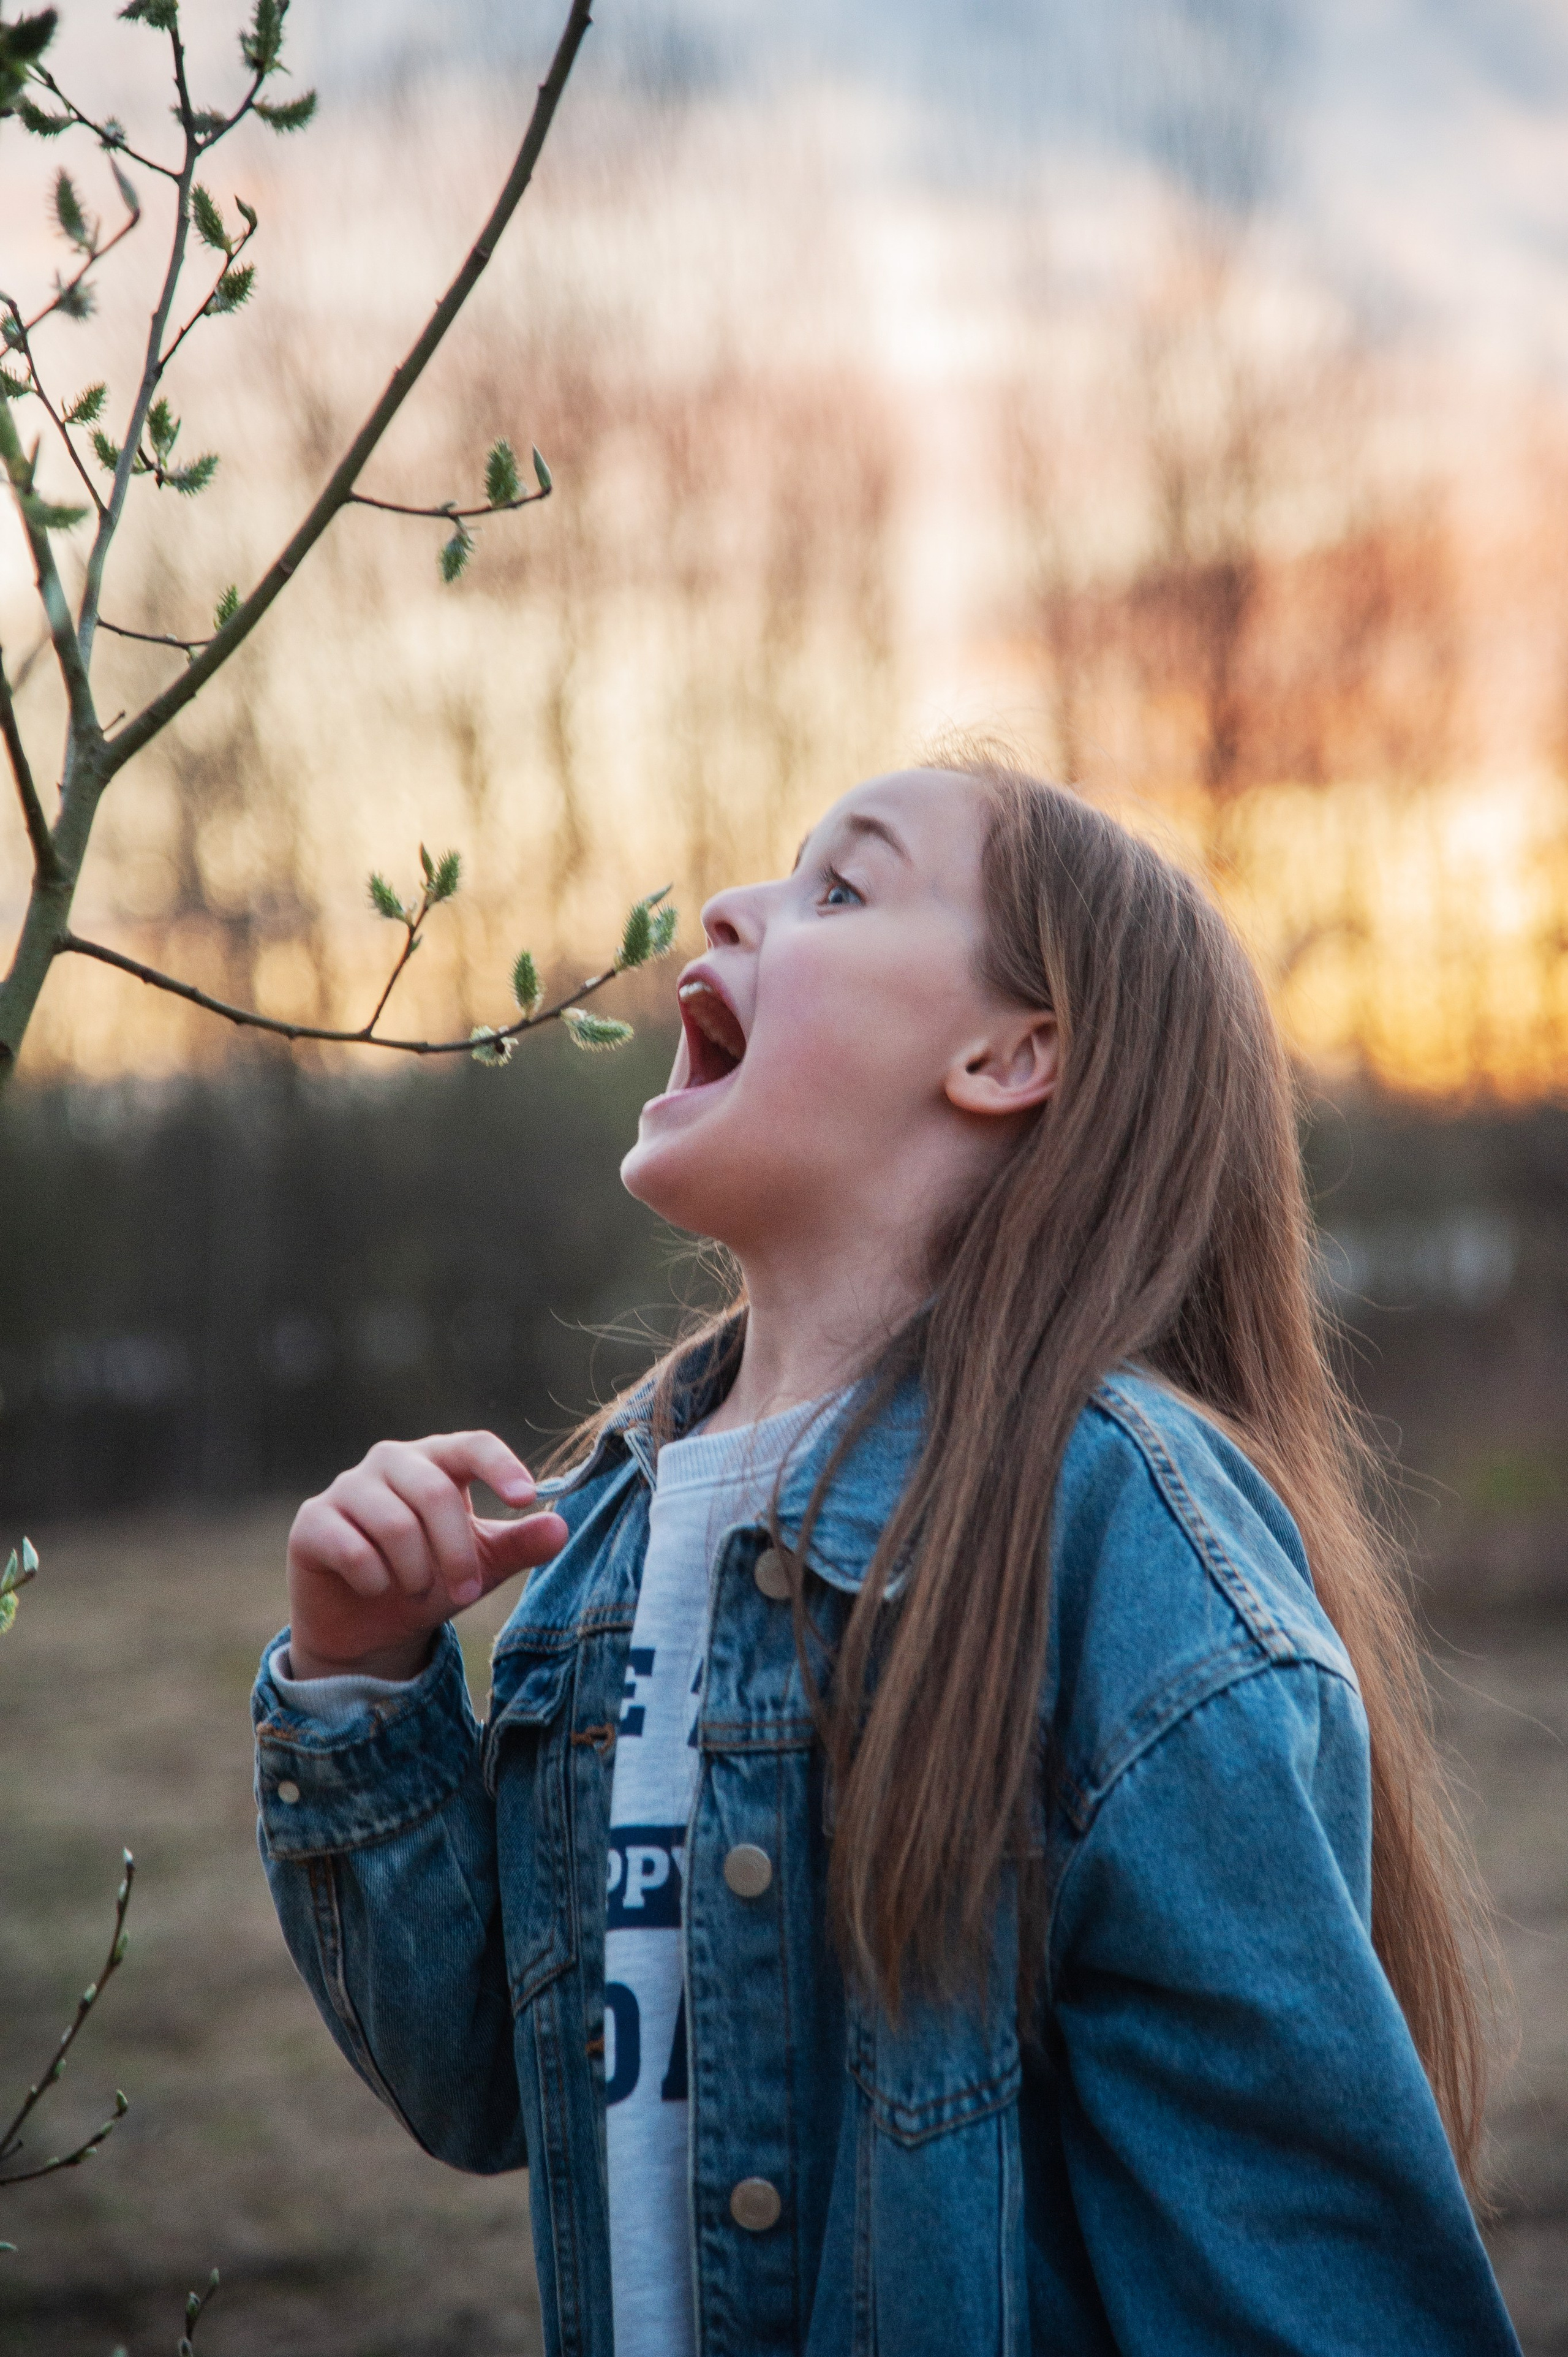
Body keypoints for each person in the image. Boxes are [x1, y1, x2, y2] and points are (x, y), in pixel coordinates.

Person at [253, 758, 1521, 2356]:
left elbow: (1305, 2283)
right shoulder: (597, 1543)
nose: (732, 907)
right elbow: (489, 2088)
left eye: (841, 888)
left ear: (1010, 1053)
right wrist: (361, 1685)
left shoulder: (1110, 1524)